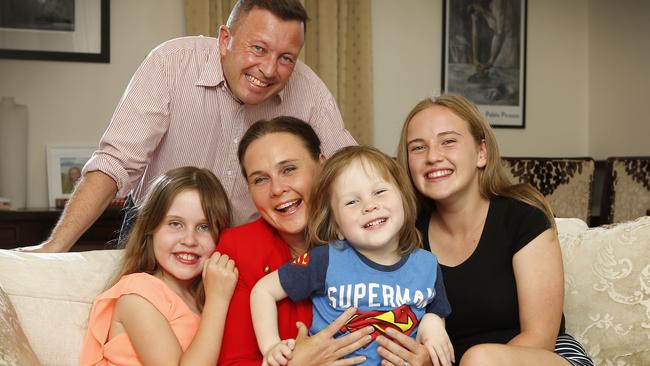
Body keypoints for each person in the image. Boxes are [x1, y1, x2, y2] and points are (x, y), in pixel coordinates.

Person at [24, 0, 355, 253]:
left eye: (286, 58)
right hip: (158, 235)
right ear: (225, 38)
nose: (269, 70)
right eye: (258, 48)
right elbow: (114, 164)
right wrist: (53, 249)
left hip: (250, 246)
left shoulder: (309, 90)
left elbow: (349, 172)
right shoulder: (171, 63)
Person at [390, 93, 593, 365]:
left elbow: (541, 336)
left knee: (482, 359)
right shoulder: (405, 235)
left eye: (448, 141)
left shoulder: (523, 216)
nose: (432, 156)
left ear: (481, 153)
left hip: (543, 356)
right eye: (417, 147)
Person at [250, 145, 454, 366]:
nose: (369, 206)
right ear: (337, 226)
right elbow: (263, 291)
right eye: (352, 202)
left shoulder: (427, 264)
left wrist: (433, 327)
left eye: (379, 192)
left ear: (403, 200)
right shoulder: (326, 259)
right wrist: (270, 346)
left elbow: (434, 310)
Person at [217, 117, 374, 366]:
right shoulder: (237, 249)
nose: (277, 189)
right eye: (260, 179)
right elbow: (233, 361)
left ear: (322, 166)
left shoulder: (367, 232)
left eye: (289, 169)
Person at [79, 166, 237, 365]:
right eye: (175, 224)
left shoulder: (204, 294)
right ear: (150, 229)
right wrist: (218, 301)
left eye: (204, 227)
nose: (190, 240)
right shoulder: (138, 295)